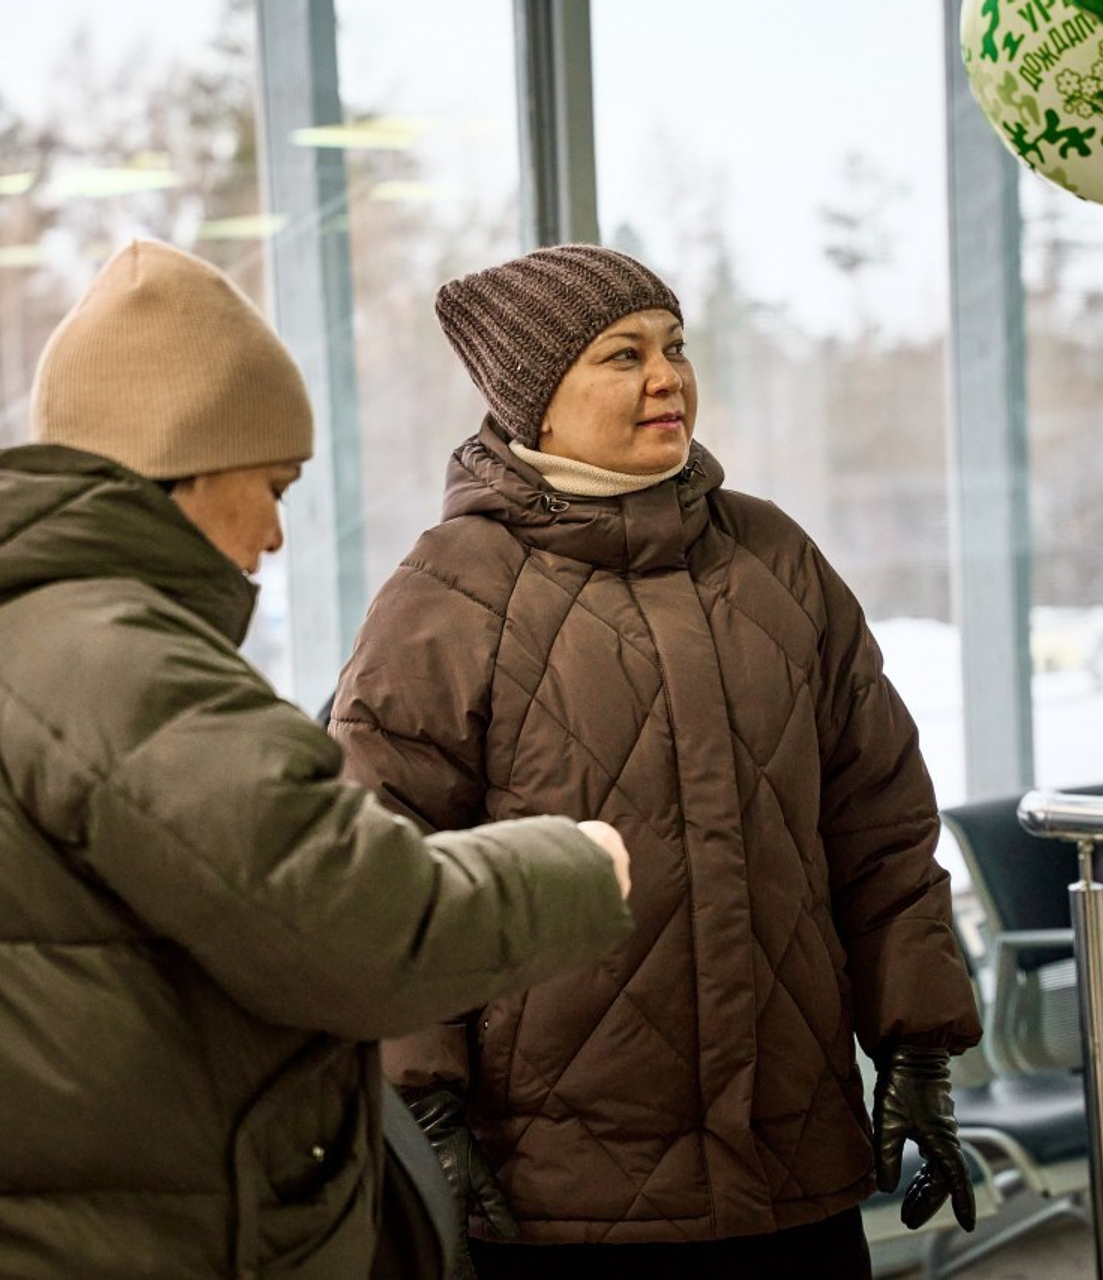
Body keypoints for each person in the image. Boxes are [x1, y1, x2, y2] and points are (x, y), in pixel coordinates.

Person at [0, 239, 637, 1280]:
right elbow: (353, 921)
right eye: (273, 485)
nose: (275, 534)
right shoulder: (105, 655)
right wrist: (576, 864)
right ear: (184, 462)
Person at [328, 243, 984, 1280]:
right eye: (621, 354)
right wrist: (421, 1105)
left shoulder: (774, 560)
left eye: (673, 346)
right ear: (532, 398)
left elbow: (879, 822)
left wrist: (917, 1046)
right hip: (553, 1192)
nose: (666, 376)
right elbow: (382, 865)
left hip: (787, 1166)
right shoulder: (450, 591)